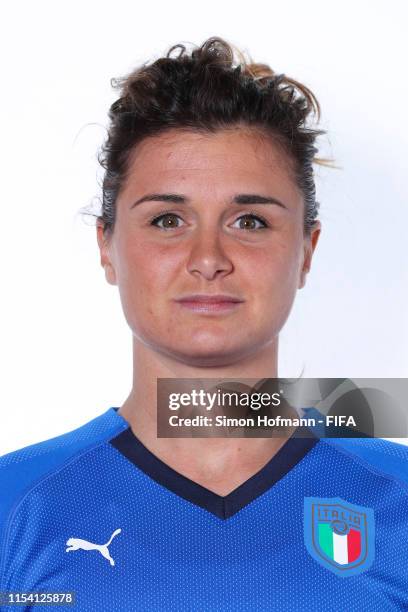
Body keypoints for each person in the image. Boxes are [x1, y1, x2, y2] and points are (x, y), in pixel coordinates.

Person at [0, 37, 407, 611]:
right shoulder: (15, 506)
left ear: (307, 251)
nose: (208, 257)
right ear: (107, 247)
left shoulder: (398, 501)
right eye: (168, 219)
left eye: (250, 220)